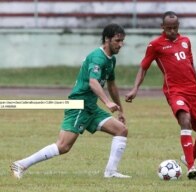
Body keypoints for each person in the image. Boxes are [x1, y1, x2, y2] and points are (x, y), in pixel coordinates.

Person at [11, 23, 131, 179]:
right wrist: (107, 102)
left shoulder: (111, 60)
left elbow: (112, 84)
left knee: (121, 130)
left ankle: (111, 172)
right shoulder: (97, 57)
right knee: (63, 146)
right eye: (117, 40)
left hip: (90, 107)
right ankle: (21, 164)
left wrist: (120, 109)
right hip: (78, 105)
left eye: (122, 41)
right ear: (107, 39)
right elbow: (93, 82)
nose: (121, 45)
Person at [125, 11, 196, 180]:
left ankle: (187, 158)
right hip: (174, 90)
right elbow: (143, 67)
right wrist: (135, 89)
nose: (172, 31)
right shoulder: (155, 45)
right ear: (162, 27)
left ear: (178, 26)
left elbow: (190, 64)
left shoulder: (185, 41)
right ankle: (191, 167)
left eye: (175, 28)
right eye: (168, 28)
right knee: (185, 120)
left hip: (194, 91)